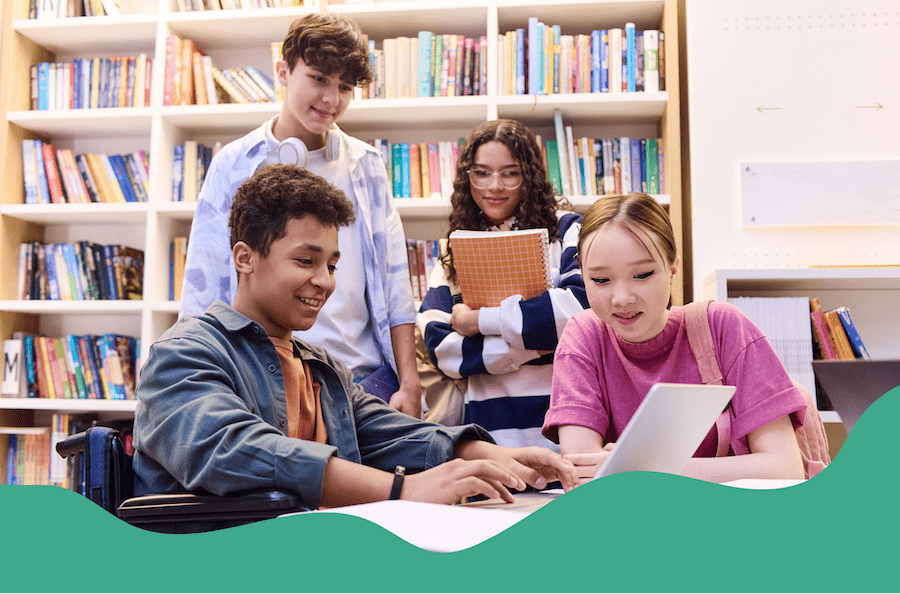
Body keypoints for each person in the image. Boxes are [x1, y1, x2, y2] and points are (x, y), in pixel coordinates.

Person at [133, 165, 577, 507]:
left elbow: (392, 433)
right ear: (245, 258)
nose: (325, 282)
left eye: (331, 264)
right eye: (306, 261)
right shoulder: (183, 354)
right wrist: (403, 490)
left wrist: (491, 455)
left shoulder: (321, 367)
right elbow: (236, 450)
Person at [179, 12, 421, 416]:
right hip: (259, 380)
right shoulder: (233, 165)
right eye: (319, 79)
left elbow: (395, 283)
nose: (331, 99)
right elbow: (202, 290)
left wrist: (410, 383)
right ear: (283, 71)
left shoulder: (367, 165)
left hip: (358, 381)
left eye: (345, 87)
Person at [542, 192, 807, 485]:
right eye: (601, 280)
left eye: (642, 274)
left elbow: (784, 468)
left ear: (672, 267)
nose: (622, 298)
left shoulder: (722, 327)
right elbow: (583, 475)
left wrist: (643, 468)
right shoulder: (583, 336)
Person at [417, 120, 588, 450]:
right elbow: (441, 348)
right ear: (468, 178)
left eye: (510, 173)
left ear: (529, 176)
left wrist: (477, 322)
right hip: (489, 431)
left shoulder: (566, 230)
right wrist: (535, 346)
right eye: (482, 173)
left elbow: (581, 311)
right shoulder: (454, 248)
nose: (494, 186)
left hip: (565, 419)